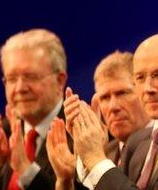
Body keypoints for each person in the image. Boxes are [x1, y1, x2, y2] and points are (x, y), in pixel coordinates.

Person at [64, 33, 158, 190]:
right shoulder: (136, 141)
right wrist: (85, 151)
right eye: (140, 78)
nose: (148, 88)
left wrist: (96, 158)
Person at [0, 29, 71, 190]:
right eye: (12, 79)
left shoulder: (80, 133)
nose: (20, 88)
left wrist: (25, 170)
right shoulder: (5, 133)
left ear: (60, 81)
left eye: (31, 76)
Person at [46, 51, 151, 190]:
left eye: (123, 93)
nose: (113, 107)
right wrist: (65, 180)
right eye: (105, 98)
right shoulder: (105, 152)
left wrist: (93, 158)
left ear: (144, 91)